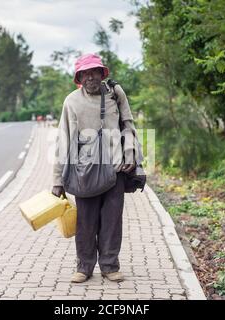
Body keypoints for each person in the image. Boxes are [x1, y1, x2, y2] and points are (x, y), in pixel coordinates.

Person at [52, 53, 140, 283]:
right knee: (86, 222)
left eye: (94, 72)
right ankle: (84, 267)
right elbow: (63, 139)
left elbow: (128, 125)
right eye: (85, 74)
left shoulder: (115, 94)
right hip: (84, 172)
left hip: (115, 169)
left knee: (112, 221)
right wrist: (57, 181)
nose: (90, 77)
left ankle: (110, 266)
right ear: (79, 77)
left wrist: (130, 153)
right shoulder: (71, 101)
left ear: (102, 74)